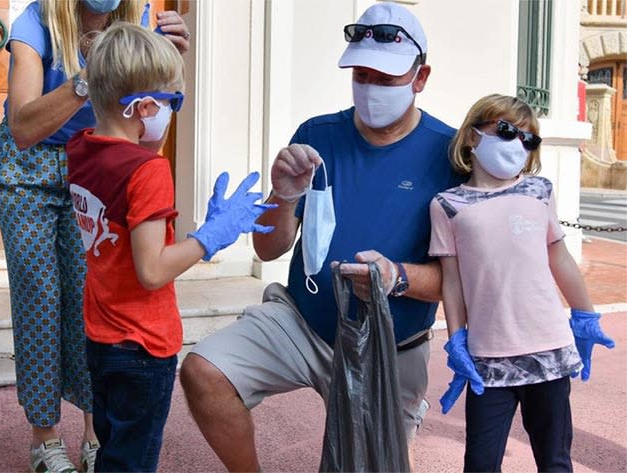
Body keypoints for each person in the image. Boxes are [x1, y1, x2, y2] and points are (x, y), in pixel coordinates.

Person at [180, 3, 463, 471]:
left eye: (385, 78)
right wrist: (283, 196)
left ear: (421, 76)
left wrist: (396, 277)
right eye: (361, 75)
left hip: (389, 345)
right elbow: (268, 248)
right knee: (204, 372)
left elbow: (460, 280)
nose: (370, 89)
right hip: (303, 323)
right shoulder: (317, 134)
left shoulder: (448, 154)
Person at [0, 1, 189, 472]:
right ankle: (45, 438)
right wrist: (89, 78)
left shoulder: (137, 18)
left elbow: (146, 126)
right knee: (40, 297)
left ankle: (96, 432)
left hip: (99, 163)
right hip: (30, 166)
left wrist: (166, 62)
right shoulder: (34, 22)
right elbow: (21, 127)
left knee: (93, 295)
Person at [65, 22, 273, 472]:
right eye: (171, 102)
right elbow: (153, 271)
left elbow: (129, 235)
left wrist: (202, 236)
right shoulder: (148, 170)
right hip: (143, 343)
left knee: (113, 447)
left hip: (100, 337)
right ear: (143, 106)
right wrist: (210, 235)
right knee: (132, 460)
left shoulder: (81, 149)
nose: (171, 111)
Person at [429, 94, 615, 472]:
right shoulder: (447, 205)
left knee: (555, 462)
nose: (517, 143)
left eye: (528, 138)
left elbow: (558, 257)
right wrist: (457, 338)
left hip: (549, 351)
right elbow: (452, 282)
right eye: (506, 130)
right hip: (488, 360)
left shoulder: (539, 190)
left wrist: (585, 314)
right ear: (471, 135)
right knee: (480, 464)